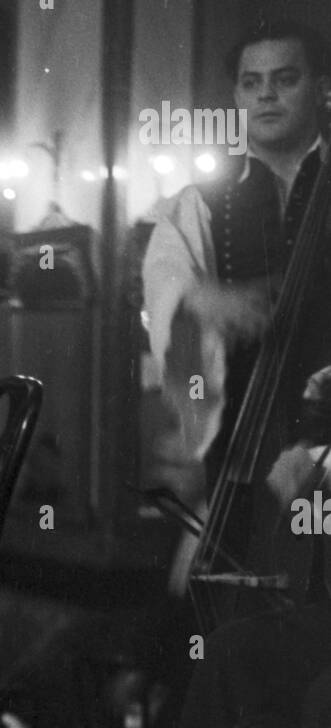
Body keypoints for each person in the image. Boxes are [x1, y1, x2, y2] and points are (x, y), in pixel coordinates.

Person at [143, 20, 331, 496]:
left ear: (321, 88)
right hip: (242, 447)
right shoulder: (200, 202)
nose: (266, 95)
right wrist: (202, 298)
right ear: (237, 97)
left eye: (285, 79)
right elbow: (166, 276)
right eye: (252, 83)